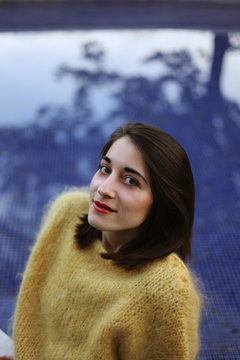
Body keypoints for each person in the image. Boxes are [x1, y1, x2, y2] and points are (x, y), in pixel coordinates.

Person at [12, 122, 203, 360]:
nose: (104, 189)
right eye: (105, 169)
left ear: (163, 202)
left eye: (131, 180)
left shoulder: (166, 290)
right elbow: (31, 314)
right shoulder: (67, 214)